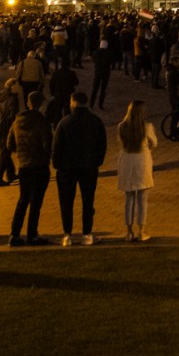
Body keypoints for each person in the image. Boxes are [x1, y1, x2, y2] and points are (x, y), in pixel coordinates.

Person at [53, 93, 107, 245]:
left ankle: (67, 234)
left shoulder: (64, 122)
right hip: (89, 167)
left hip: (67, 168)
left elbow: (57, 146)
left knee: (66, 202)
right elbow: (102, 144)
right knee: (88, 201)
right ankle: (87, 233)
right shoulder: (95, 121)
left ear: (73, 102)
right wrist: (97, 161)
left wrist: (57, 164)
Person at [7, 91, 54, 245]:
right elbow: (47, 144)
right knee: (36, 202)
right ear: (41, 104)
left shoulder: (17, 121)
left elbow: (10, 144)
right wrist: (46, 156)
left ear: (28, 103)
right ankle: (32, 234)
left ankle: (14, 234)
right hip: (39, 165)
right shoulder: (42, 121)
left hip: (24, 165)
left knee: (23, 200)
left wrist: (22, 153)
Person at [116, 100, 157, 242]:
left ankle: (128, 231)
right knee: (142, 199)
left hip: (126, 160)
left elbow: (121, 143)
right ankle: (141, 231)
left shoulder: (122, 126)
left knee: (129, 198)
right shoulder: (147, 127)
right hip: (142, 161)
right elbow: (154, 143)